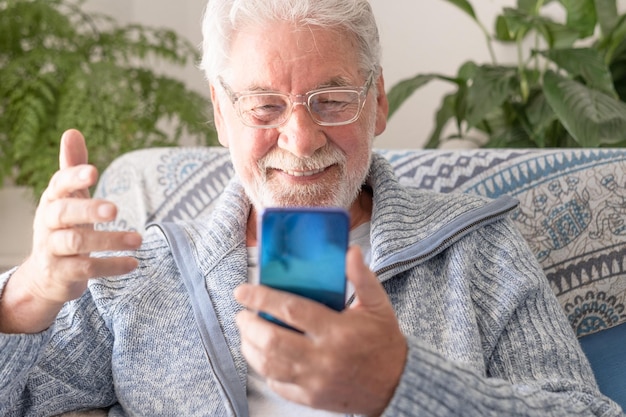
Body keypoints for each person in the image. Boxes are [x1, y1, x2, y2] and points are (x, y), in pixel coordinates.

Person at [0, 0, 622, 415]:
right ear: (221, 113)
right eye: (265, 107)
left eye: (331, 100)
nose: (300, 140)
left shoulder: (477, 250)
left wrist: (402, 382)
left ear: (377, 101)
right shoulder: (139, 273)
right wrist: (25, 296)